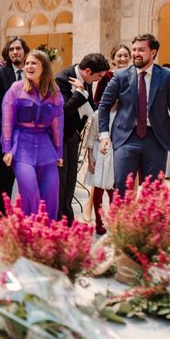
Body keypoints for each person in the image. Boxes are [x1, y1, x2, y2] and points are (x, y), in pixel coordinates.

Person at [99, 33, 170, 194]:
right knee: (122, 189)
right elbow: (104, 105)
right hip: (126, 137)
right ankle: (119, 220)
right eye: (134, 49)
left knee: (152, 193)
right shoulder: (120, 76)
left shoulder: (167, 76)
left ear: (153, 52)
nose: (135, 54)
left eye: (141, 50)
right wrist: (104, 135)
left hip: (156, 138)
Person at [1, 50, 64, 220]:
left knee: (51, 189)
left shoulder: (54, 91)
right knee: (28, 188)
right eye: (27, 63)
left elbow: (57, 123)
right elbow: (7, 120)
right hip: (22, 143)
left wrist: (59, 152)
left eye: (34, 63)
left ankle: (47, 233)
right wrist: (7, 149)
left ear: (44, 67)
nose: (29, 66)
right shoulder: (16, 88)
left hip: (45, 144)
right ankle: (30, 230)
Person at [55, 53, 109, 225]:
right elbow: (62, 111)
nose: (97, 81)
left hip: (73, 136)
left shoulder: (86, 79)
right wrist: (80, 93)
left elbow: (90, 106)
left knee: (71, 180)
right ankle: (60, 220)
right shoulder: (62, 80)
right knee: (61, 181)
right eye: (98, 77)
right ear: (88, 71)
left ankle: (68, 219)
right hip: (59, 137)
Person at [84, 45, 131, 234]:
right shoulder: (100, 114)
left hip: (117, 152)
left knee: (114, 189)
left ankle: (115, 221)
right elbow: (91, 136)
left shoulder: (123, 115)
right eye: (119, 55)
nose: (122, 58)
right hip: (99, 152)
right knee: (99, 188)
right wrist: (89, 158)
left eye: (125, 55)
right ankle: (98, 221)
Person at [0, 36, 29, 213]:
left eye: (18, 48)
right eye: (11, 49)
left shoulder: (32, 71)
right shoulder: (0, 74)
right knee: (6, 176)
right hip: (6, 134)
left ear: (24, 51)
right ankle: (3, 215)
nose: (15, 52)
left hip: (29, 133)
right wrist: (9, 131)